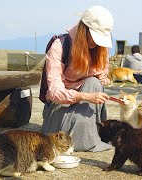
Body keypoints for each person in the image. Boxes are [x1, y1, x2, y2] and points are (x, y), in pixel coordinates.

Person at [40, 6, 114, 152]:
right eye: (94, 36)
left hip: (84, 104)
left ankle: (86, 133)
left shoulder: (101, 49)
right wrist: (84, 96)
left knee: (94, 83)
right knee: (92, 87)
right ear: (83, 30)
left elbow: (104, 76)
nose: (97, 43)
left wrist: (102, 78)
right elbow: (54, 92)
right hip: (60, 106)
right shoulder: (60, 46)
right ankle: (84, 137)